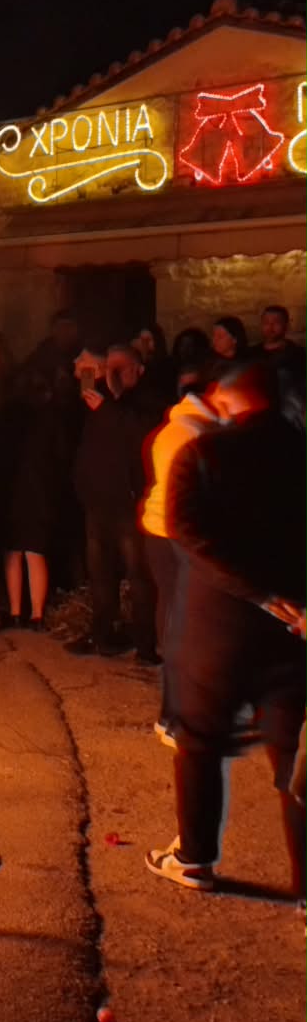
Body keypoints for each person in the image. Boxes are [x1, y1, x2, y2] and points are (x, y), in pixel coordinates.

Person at [145, 361, 307, 908]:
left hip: (216, 633)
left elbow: (184, 531)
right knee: (295, 763)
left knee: (199, 743)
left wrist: (253, 590)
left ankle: (195, 860)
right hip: (293, 633)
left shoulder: (205, 454)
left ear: (229, 401)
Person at [138, 330, 217, 733]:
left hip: (158, 530)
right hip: (184, 534)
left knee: (170, 609)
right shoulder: (205, 436)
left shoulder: (167, 430)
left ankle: (173, 707)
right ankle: (180, 714)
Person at [67, 341, 158, 662]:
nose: (115, 375)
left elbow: (137, 432)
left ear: (139, 370)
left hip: (129, 504)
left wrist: (107, 408)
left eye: (122, 369)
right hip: (99, 503)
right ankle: (103, 634)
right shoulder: (100, 402)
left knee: (138, 575)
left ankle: (147, 644)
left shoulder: (146, 401)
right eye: (111, 368)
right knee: (101, 572)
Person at [0, 366, 67, 629]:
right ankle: (36, 614)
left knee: (13, 551)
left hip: (11, 491)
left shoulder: (7, 416)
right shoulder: (51, 418)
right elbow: (60, 457)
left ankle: (16, 612)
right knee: (34, 552)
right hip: (40, 493)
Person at [257, 303, 307, 400]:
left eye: (276, 322)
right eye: (266, 322)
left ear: (286, 325)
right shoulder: (252, 353)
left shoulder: (297, 353)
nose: (270, 327)